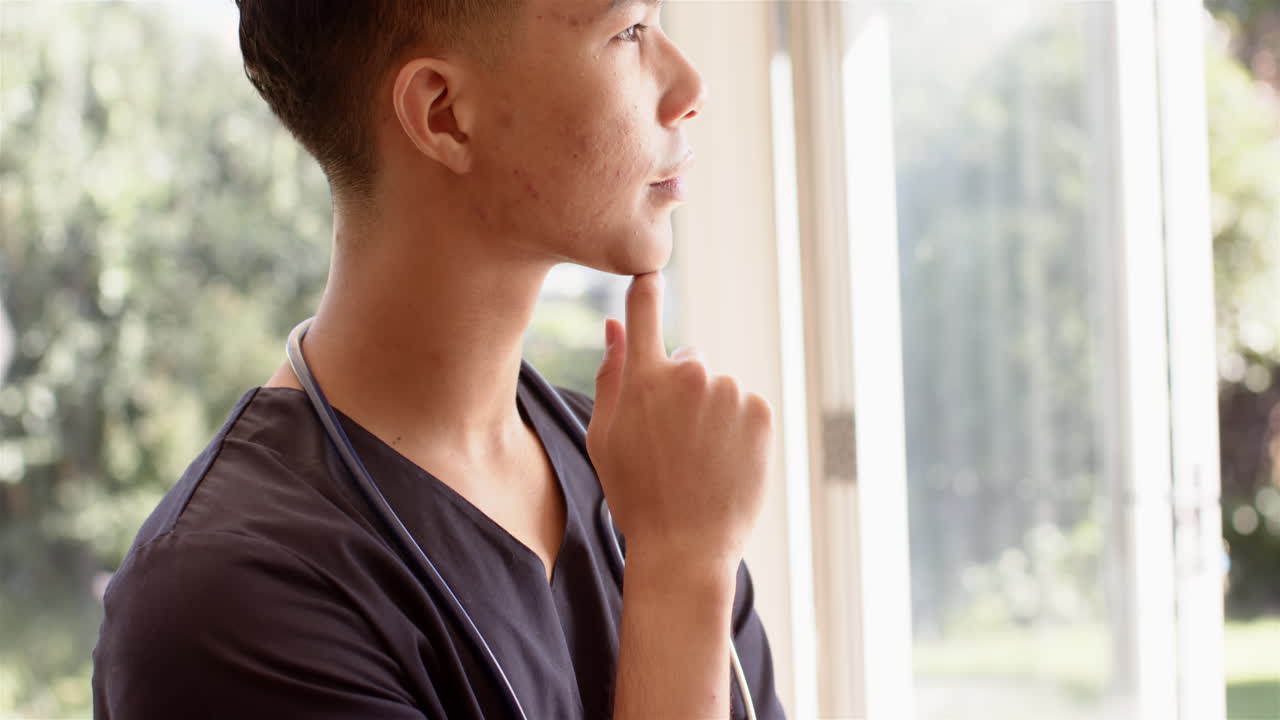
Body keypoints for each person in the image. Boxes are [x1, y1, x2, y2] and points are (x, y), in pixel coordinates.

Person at [91, 1, 785, 718]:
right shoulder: (224, 604)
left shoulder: (652, 476)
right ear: (444, 112)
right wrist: (679, 570)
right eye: (628, 32)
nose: (689, 86)